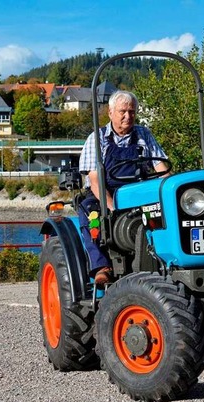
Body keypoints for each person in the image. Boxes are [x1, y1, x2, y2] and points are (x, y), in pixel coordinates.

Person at [78, 90, 169, 285]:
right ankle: (102, 266)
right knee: (90, 212)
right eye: (123, 111)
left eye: (132, 112)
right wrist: (112, 208)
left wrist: (169, 191)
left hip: (139, 192)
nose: (128, 116)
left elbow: (161, 169)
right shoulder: (97, 139)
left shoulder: (144, 135)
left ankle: (166, 259)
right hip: (105, 193)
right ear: (111, 112)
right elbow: (95, 180)